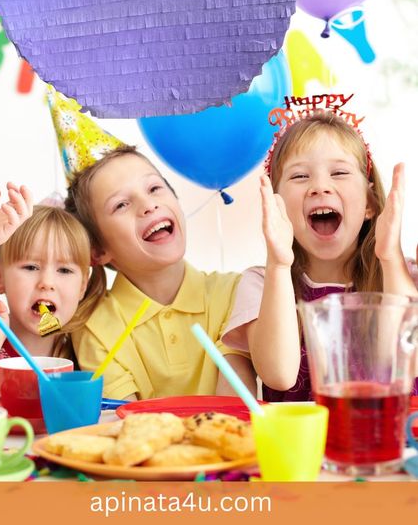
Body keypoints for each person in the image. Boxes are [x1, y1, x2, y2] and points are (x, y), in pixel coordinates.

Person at [65, 146, 300, 401]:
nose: (148, 205)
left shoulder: (233, 293)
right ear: (98, 250)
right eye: (121, 204)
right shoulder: (94, 326)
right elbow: (125, 426)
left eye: (154, 188)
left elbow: (232, 411)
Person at [222, 104, 418, 401]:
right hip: (307, 446)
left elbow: (409, 361)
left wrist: (390, 257)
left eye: (339, 172)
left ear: (369, 204)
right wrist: (278, 264)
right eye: (300, 177)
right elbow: (279, 374)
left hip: (395, 442)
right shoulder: (261, 283)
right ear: (278, 206)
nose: (320, 187)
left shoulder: (405, 275)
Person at [0, 184, 106, 399]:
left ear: (82, 285)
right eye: (31, 267)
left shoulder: (90, 356)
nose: (47, 283)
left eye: (64, 270)